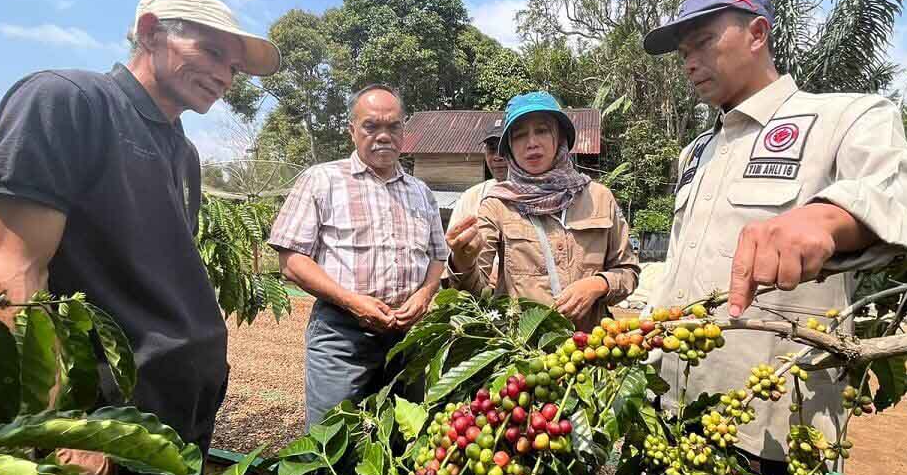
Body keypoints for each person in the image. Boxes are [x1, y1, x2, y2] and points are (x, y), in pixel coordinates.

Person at [621, 0, 907, 475]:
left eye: (704, 40)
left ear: (757, 32)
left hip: (769, 429)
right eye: (682, 51)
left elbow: (898, 194)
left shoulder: (845, 117)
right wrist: (636, 317)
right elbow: (682, 272)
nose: (691, 61)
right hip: (673, 417)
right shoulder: (696, 155)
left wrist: (826, 217)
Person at [0, 0, 279, 475]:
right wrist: (62, 427)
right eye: (213, 51)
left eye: (234, 64)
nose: (225, 74)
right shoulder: (66, 101)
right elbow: (12, 268)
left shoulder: (182, 151)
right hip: (116, 413)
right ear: (149, 32)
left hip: (182, 407)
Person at [269, 84, 448, 428]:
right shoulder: (322, 180)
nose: (383, 136)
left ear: (404, 132)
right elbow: (291, 260)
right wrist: (351, 301)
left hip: (407, 335)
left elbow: (438, 257)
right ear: (352, 131)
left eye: (393, 127)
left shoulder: (420, 191)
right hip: (342, 333)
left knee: (404, 437)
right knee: (332, 437)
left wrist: (425, 295)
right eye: (371, 126)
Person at [446, 91, 639, 332]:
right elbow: (477, 296)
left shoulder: (599, 197)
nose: (531, 143)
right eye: (519, 135)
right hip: (526, 357)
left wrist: (598, 284)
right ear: (509, 150)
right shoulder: (496, 205)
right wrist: (463, 260)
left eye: (542, 130)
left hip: (591, 352)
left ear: (560, 138)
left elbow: (628, 271)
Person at [446, 115, 509, 231]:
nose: (497, 157)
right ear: (484, 152)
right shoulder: (470, 198)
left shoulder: (534, 198)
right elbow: (453, 243)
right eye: (492, 149)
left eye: (504, 149)